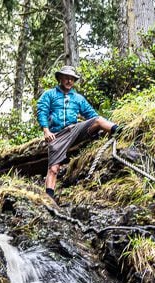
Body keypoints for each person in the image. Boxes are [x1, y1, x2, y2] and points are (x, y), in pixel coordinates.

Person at [36, 65, 120, 202]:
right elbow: (42, 111)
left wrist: (101, 128)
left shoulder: (78, 98)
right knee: (53, 169)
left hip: (75, 130)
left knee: (98, 120)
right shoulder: (49, 94)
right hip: (57, 135)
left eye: (72, 79)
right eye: (66, 78)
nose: (69, 81)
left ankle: (120, 131)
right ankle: (49, 200)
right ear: (60, 79)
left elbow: (91, 114)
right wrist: (46, 130)